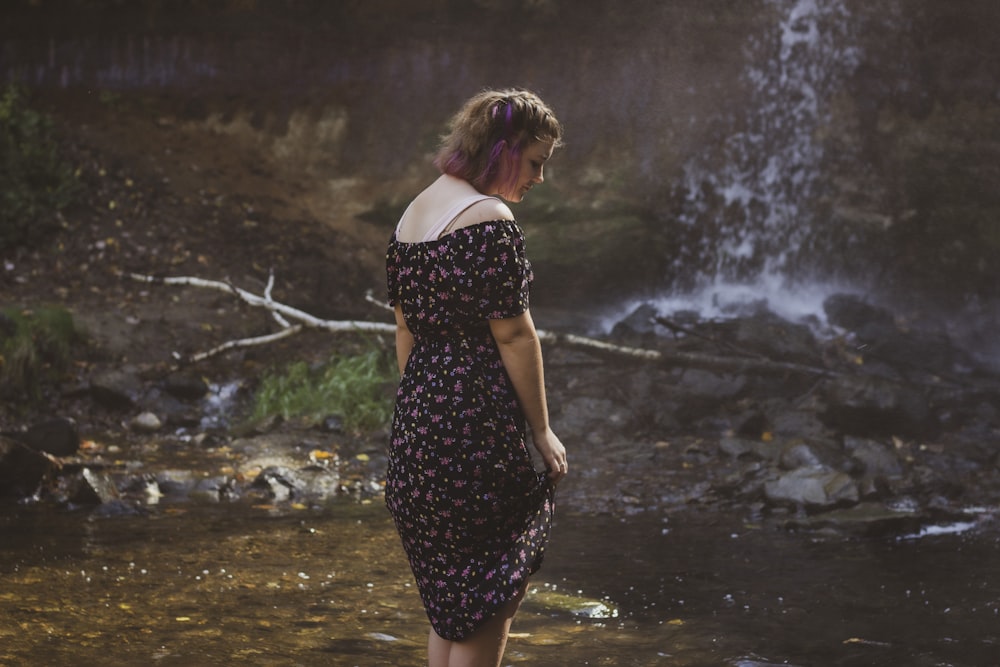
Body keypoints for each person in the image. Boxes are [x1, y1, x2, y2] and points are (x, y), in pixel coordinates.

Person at [384, 88, 569, 667]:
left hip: (417, 433)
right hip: (475, 433)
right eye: (536, 162)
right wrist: (541, 430)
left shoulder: (411, 216)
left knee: (451, 605)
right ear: (505, 149)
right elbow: (515, 336)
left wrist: (422, 415)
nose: (539, 178)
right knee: (487, 598)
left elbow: (405, 332)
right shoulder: (488, 219)